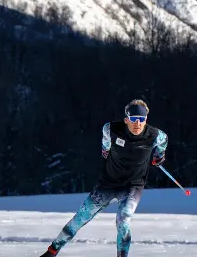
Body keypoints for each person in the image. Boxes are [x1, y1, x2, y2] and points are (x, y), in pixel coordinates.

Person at [39, 99, 168, 257]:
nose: (138, 124)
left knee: (123, 220)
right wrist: (106, 149)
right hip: (108, 184)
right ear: (126, 119)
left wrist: (159, 156)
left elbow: (164, 141)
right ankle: (52, 251)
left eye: (141, 119)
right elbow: (106, 144)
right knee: (81, 217)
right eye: (134, 119)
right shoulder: (111, 129)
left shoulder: (155, 135)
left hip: (132, 187)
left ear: (146, 119)